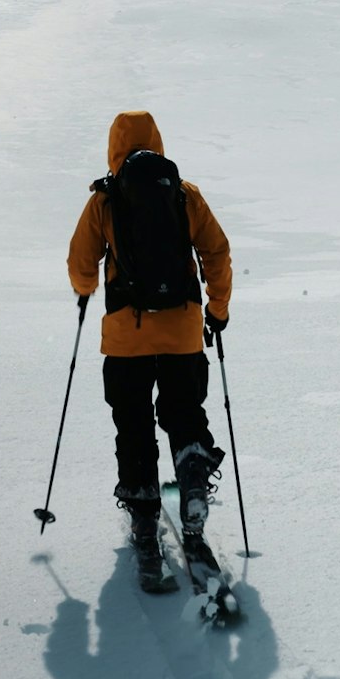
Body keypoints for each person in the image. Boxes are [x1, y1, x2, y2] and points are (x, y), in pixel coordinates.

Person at [67, 110, 233, 591]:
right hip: (182, 329)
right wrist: (217, 311)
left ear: (113, 147)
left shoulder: (105, 197)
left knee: (134, 424)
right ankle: (193, 474)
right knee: (184, 413)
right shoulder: (184, 193)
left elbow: (81, 262)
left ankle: (143, 516)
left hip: (126, 337)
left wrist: (85, 289)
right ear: (158, 142)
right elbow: (217, 252)